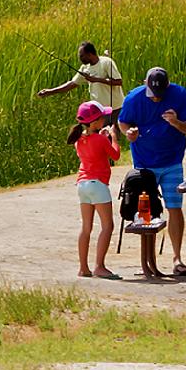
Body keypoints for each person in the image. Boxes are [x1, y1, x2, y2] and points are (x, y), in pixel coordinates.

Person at [116, 68, 186, 276]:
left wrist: (177, 123)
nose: (156, 99)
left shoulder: (179, 94)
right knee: (148, 212)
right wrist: (129, 133)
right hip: (144, 163)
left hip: (172, 161)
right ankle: (148, 260)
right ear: (145, 84)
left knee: (174, 207)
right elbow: (123, 121)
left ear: (168, 86)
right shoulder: (133, 98)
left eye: (160, 94)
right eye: (153, 94)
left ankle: (177, 258)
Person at [69, 101, 121, 280]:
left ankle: (83, 267)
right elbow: (115, 155)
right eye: (101, 118)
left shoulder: (79, 139)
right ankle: (99, 266)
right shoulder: (100, 139)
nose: (105, 119)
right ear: (94, 122)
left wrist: (102, 135)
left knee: (86, 227)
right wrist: (113, 137)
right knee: (108, 226)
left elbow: (91, 150)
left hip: (82, 185)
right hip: (98, 185)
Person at [38, 42, 126, 126]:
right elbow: (72, 84)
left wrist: (96, 79)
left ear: (90, 54)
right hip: (99, 110)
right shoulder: (85, 68)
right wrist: (50, 92)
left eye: (81, 56)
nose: (80, 59)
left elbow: (118, 82)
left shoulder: (106, 62)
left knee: (112, 137)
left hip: (115, 108)